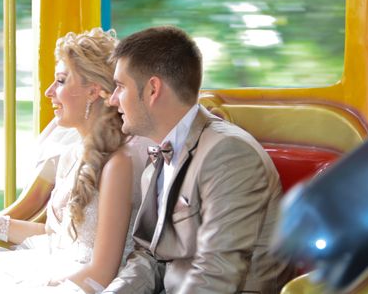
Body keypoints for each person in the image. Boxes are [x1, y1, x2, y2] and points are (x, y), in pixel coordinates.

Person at [0, 28, 151, 293]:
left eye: (60, 81)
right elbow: (54, 239)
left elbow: (102, 274)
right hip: (52, 267)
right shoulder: (71, 155)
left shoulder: (119, 165)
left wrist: (30, 285)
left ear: (93, 91)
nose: (49, 92)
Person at [104, 26, 294, 293]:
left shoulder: (229, 153)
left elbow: (216, 275)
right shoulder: (157, 157)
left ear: (152, 90)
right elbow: (150, 256)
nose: (112, 100)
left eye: (120, 87)